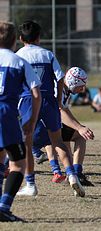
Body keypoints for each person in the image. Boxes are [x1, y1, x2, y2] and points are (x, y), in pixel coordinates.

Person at [16, 20, 85, 197]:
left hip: (28, 100)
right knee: (58, 142)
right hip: (48, 99)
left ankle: (30, 184)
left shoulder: (19, 55)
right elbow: (60, 77)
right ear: (39, 37)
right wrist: (57, 99)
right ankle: (71, 174)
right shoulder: (47, 54)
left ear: (21, 38)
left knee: (27, 143)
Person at [0, 21, 41, 222]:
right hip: (6, 115)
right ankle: (4, 206)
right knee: (18, 164)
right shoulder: (18, 61)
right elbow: (36, 93)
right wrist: (32, 120)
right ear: (15, 41)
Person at [32, 67, 95, 186]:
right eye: (81, 86)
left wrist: (79, 127)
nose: (83, 89)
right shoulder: (58, 88)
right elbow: (60, 111)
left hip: (51, 124)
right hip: (42, 127)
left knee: (79, 137)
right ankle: (72, 174)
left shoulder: (65, 90)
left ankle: (76, 173)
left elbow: (65, 109)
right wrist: (79, 128)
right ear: (73, 82)